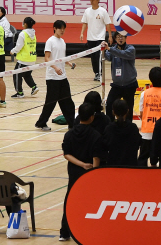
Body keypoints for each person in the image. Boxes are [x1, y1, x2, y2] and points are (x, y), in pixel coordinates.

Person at [60, 103, 102, 241]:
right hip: (89, 174)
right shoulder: (95, 135)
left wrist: (80, 164)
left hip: (74, 171)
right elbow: (96, 157)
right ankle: (90, 231)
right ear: (92, 117)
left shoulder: (69, 134)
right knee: (91, 203)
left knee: (69, 200)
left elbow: (67, 154)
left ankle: (64, 232)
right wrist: (92, 171)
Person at [35, 20, 76, 131]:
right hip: (52, 77)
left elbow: (62, 57)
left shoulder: (63, 41)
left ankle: (72, 124)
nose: (62, 30)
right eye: (60, 28)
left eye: (63, 28)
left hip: (62, 76)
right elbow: (47, 58)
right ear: (54, 28)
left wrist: (68, 63)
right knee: (51, 102)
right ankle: (41, 123)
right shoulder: (50, 41)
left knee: (67, 101)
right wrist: (55, 67)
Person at [138, 67, 161, 166]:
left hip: (147, 131)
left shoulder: (144, 93)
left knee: (143, 157)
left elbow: (141, 113)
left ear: (150, 80)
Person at [102, 32, 137, 122]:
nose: (120, 39)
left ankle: (128, 125)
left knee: (129, 107)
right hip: (117, 85)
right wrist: (103, 49)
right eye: (118, 37)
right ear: (115, 39)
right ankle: (110, 124)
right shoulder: (113, 49)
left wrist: (109, 49)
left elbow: (122, 54)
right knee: (109, 104)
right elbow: (108, 57)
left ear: (126, 38)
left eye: (122, 37)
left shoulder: (131, 49)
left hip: (129, 85)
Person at [80, 0, 113, 81]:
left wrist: (110, 35)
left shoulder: (103, 11)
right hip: (90, 37)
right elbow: (85, 23)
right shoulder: (87, 11)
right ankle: (96, 73)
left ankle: (100, 73)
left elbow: (107, 24)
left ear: (98, 0)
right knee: (93, 57)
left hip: (100, 37)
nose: (91, 1)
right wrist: (82, 33)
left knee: (98, 56)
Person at [102, 99, 141, 166]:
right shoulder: (133, 128)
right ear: (127, 111)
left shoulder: (109, 128)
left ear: (113, 112)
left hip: (113, 166)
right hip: (131, 166)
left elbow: (104, 147)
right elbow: (138, 144)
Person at [10, 17, 39, 99]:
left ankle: (19, 92)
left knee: (16, 74)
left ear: (25, 24)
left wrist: (13, 51)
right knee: (27, 75)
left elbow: (19, 46)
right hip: (32, 58)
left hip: (24, 59)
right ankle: (34, 87)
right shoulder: (33, 33)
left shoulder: (23, 34)